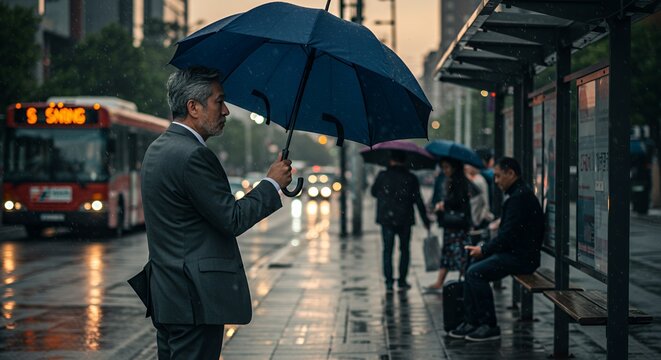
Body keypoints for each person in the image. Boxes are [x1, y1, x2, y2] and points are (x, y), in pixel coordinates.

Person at [129, 67, 293, 359]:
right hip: (194, 300)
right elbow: (232, 218)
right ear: (193, 107)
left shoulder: (158, 148)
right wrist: (271, 184)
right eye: (219, 101)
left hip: (168, 296)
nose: (226, 111)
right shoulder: (194, 155)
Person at [449, 157, 544, 342]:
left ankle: (489, 326)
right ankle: (472, 321)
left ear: (511, 173)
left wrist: (484, 250)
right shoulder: (518, 195)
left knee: (475, 273)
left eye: (499, 176)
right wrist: (482, 250)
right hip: (517, 253)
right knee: (472, 265)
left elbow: (507, 236)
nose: (497, 181)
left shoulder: (519, 198)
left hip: (522, 258)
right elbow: (509, 232)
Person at [371, 150, 431, 292]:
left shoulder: (383, 176)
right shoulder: (410, 178)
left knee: (387, 250)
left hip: (387, 219)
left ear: (391, 160)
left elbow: (373, 192)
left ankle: (389, 282)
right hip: (405, 219)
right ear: (404, 161)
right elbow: (418, 200)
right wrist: (425, 220)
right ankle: (402, 281)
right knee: (404, 250)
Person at [426, 157, 472, 291]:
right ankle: (440, 281)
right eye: (443, 167)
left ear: (454, 167)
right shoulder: (451, 181)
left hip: (457, 226)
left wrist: (444, 205)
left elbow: (459, 202)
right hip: (451, 225)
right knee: (448, 253)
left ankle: (466, 279)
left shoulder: (460, 182)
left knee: (460, 254)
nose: (445, 170)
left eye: (447, 167)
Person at [464, 164, 494, 230]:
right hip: (476, 217)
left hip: (480, 217)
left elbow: (485, 200)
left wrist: (483, 216)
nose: (466, 167)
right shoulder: (473, 179)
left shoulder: (479, 180)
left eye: (468, 165)